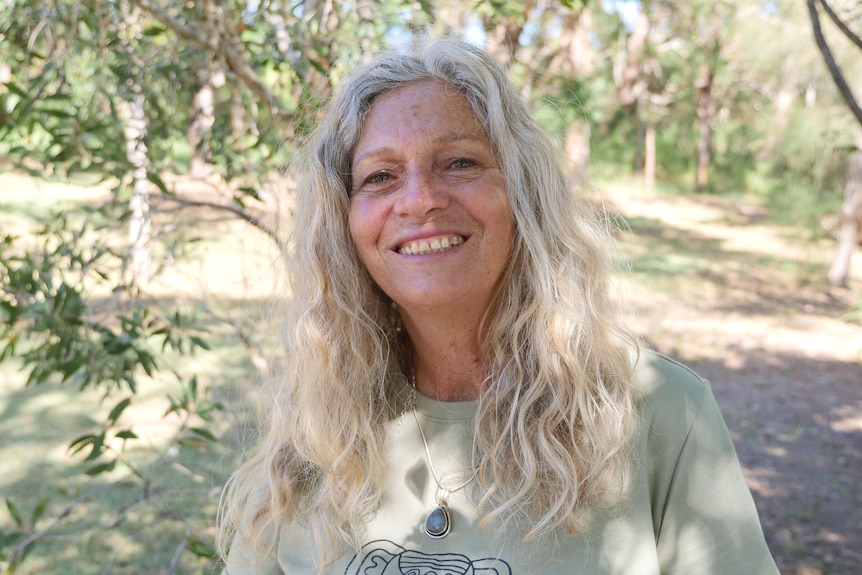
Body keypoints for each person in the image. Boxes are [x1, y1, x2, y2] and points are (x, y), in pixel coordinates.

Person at [218, 37, 780, 574]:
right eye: (380, 176)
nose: (419, 200)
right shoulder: (318, 422)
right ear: (344, 224)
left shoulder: (656, 412)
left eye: (459, 163)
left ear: (522, 194)